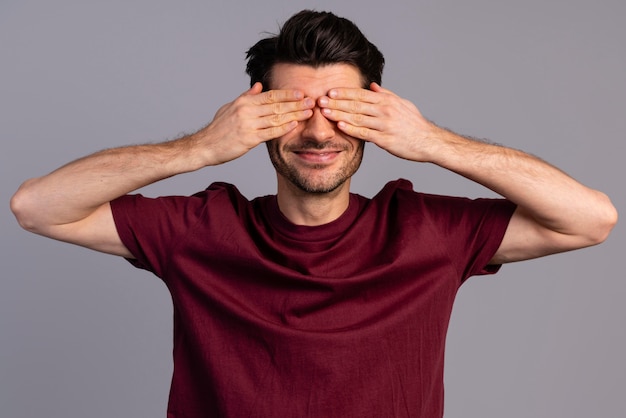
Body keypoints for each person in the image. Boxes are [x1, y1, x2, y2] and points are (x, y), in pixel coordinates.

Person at [10, 9, 617, 418]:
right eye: (294, 108)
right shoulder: (200, 231)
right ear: (258, 117)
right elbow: (36, 207)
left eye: (340, 108)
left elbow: (591, 219)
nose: (318, 131)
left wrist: (433, 142)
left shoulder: (425, 231)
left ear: (377, 118)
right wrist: (198, 147)